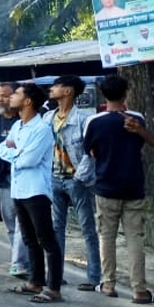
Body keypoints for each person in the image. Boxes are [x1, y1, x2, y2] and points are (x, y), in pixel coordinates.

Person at [91, 74, 154, 303]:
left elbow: (91, 151)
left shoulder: (94, 121)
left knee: (107, 237)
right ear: (126, 94)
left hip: (106, 186)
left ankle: (108, 284)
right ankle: (139, 290)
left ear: (103, 95)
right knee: (135, 238)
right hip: (133, 186)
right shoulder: (137, 119)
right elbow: (152, 143)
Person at [0, 83, 62, 303]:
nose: (11, 97)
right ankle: (36, 281)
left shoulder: (42, 129)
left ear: (28, 101)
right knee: (28, 238)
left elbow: (30, 160)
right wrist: (17, 152)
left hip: (36, 190)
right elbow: (2, 148)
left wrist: (14, 152)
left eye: (16, 93)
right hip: (19, 189)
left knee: (46, 239)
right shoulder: (18, 126)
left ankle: (53, 287)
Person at [41, 75, 100, 291]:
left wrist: (79, 177)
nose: (52, 88)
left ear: (68, 91)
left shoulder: (84, 119)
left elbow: (91, 153)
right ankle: (57, 274)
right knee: (56, 228)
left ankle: (94, 277)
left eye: (57, 85)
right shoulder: (48, 117)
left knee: (87, 228)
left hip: (76, 179)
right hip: (54, 177)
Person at [0, 82, 30, 279]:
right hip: (1, 178)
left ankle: (20, 263)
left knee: (24, 222)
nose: (1, 99)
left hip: (24, 177)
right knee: (11, 223)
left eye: (6, 95)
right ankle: (19, 260)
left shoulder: (25, 119)